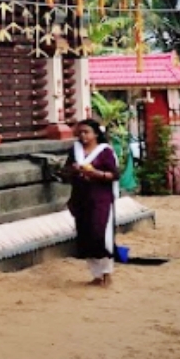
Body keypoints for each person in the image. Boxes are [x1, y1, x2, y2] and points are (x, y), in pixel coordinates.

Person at [62, 119, 121, 288]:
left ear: (96, 134)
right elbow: (65, 171)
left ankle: (107, 272)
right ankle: (95, 274)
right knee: (85, 234)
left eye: (86, 132)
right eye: (80, 132)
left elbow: (114, 174)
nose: (83, 135)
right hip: (81, 197)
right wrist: (73, 170)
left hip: (100, 198)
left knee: (100, 233)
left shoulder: (105, 151)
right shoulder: (76, 150)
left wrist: (96, 174)